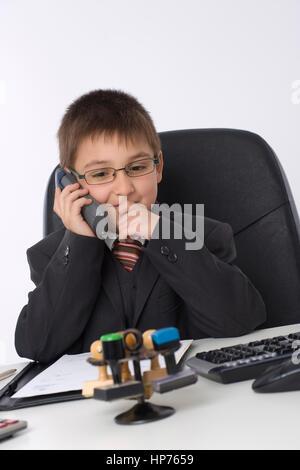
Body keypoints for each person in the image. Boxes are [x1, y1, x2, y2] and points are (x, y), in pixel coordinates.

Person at [15, 89, 267, 363]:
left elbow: (240, 320)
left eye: (137, 168)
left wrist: (162, 236)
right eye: (100, 174)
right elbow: (37, 346)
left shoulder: (202, 237)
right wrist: (80, 242)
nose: (124, 189)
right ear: (71, 183)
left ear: (157, 168)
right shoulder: (52, 255)